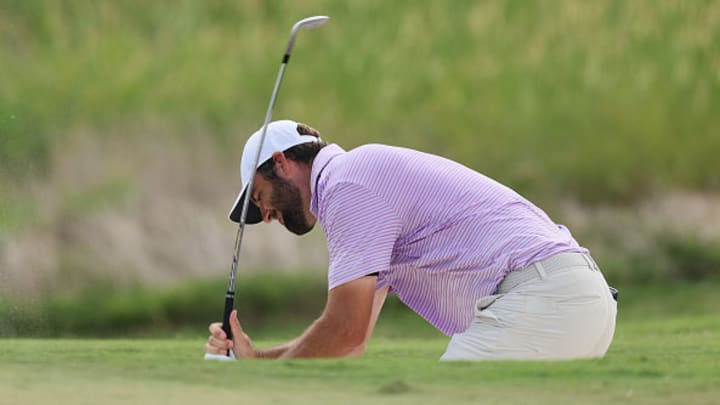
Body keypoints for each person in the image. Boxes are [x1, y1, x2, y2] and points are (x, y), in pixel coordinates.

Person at [204, 120, 617, 361]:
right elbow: (354, 338)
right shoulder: (357, 182)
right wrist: (258, 359)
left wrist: (267, 379)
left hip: (544, 300)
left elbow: (344, 330)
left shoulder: (348, 184)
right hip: (574, 302)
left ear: (281, 163)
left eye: (261, 198)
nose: (269, 216)